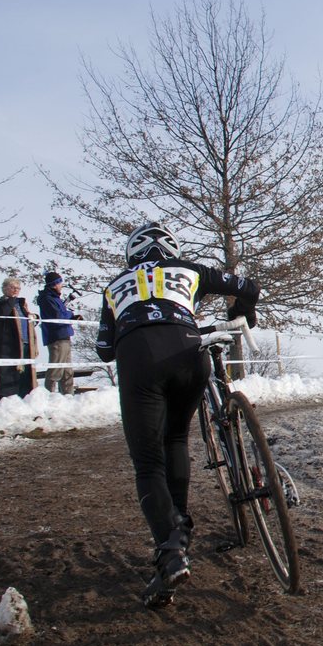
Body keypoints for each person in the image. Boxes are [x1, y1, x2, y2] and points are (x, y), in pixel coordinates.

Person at [96, 222, 259, 608]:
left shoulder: (114, 286)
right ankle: (180, 532)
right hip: (189, 353)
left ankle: (171, 551)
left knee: (148, 460)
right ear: (171, 250)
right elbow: (247, 287)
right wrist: (244, 315)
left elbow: (104, 349)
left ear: (132, 255)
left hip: (140, 360)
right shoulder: (191, 270)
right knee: (176, 439)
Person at [0, 277, 39, 400]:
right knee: (7, 374)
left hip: (26, 344)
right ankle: (7, 401)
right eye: (12, 287)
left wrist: (34, 317)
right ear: (4, 288)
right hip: (8, 346)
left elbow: (28, 318)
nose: (15, 290)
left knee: (26, 374)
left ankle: (27, 398)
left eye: (18, 288)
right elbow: (1, 314)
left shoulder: (21, 304)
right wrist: (11, 300)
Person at [38, 271, 79, 394]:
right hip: (56, 337)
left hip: (64, 335)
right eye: (60, 282)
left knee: (67, 370)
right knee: (56, 369)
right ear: (55, 284)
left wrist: (70, 316)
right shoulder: (47, 299)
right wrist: (70, 314)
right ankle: (48, 395)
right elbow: (57, 315)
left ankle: (68, 396)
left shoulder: (55, 299)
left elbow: (61, 313)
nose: (62, 285)